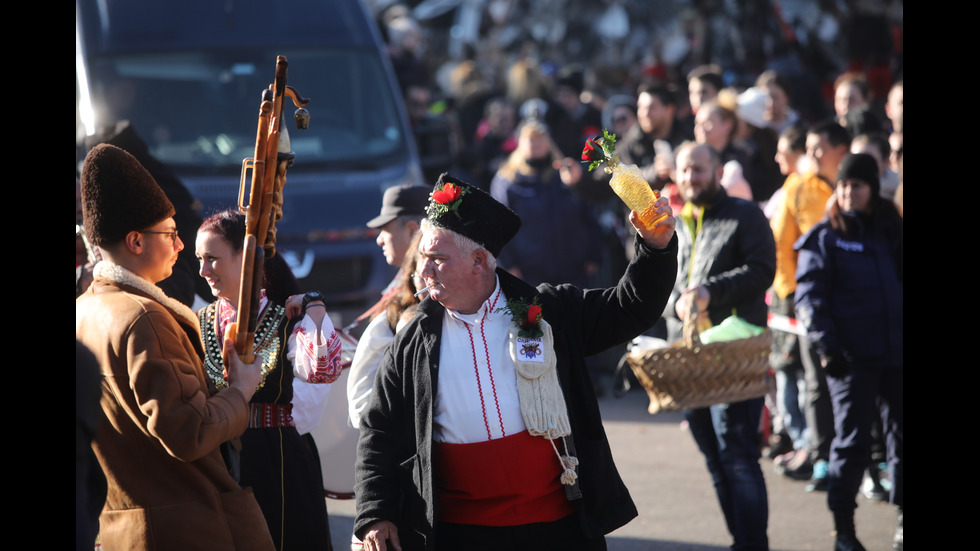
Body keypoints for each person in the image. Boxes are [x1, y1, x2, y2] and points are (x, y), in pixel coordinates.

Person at [354, 173, 677, 551]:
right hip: (461, 534)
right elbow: (380, 431)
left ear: (479, 261)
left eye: (437, 260)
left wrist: (654, 250)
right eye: (423, 259)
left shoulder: (547, 312)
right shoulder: (413, 338)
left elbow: (630, 308)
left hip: (557, 528)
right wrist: (376, 511)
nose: (422, 272)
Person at [75, 143, 274, 550]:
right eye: (169, 233)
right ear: (135, 241)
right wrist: (241, 391)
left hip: (122, 529)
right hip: (186, 527)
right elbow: (189, 430)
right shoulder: (143, 317)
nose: (181, 245)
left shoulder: (84, 309)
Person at [195, 209, 344, 550]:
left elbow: (323, 370)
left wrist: (315, 308)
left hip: (279, 460)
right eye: (200, 259)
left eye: (213, 259)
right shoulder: (197, 322)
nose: (203, 271)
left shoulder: (289, 319)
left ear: (246, 259)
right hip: (217, 459)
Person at [663, 142, 776, 551]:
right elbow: (673, 287)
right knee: (715, 459)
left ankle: (752, 545)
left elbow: (763, 271)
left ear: (716, 170)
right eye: (685, 170)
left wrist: (712, 292)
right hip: (691, 360)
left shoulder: (745, 215)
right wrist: (677, 306)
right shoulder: (678, 222)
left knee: (738, 457)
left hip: (735, 356)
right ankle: (739, 542)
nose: (692, 177)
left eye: (700, 169)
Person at [794, 153, 903, 551]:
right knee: (852, 443)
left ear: (872, 188)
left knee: (900, 440)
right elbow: (808, 299)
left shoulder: (891, 230)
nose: (847, 193)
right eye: (842, 185)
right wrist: (828, 347)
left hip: (894, 356)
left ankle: (902, 520)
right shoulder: (826, 237)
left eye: (856, 185)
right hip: (850, 359)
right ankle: (844, 529)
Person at [778, 120, 852, 490]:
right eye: (808, 149)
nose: (811, 156)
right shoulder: (798, 187)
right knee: (815, 382)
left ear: (842, 149)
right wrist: (793, 295)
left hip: (857, 299)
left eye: (818, 149)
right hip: (813, 302)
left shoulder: (858, 186)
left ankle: (868, 460)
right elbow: (782, 244)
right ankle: (823, 457)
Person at [489, 118, 603, 290]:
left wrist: (594, 255)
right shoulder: (507, 181)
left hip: (574, 271)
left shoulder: (566, 174)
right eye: (530, 139)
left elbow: (588, 214)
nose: (536, 144)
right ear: (519, 142)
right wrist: (508, 266)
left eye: (541, 138)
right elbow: (497, 228)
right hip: (530, 275)